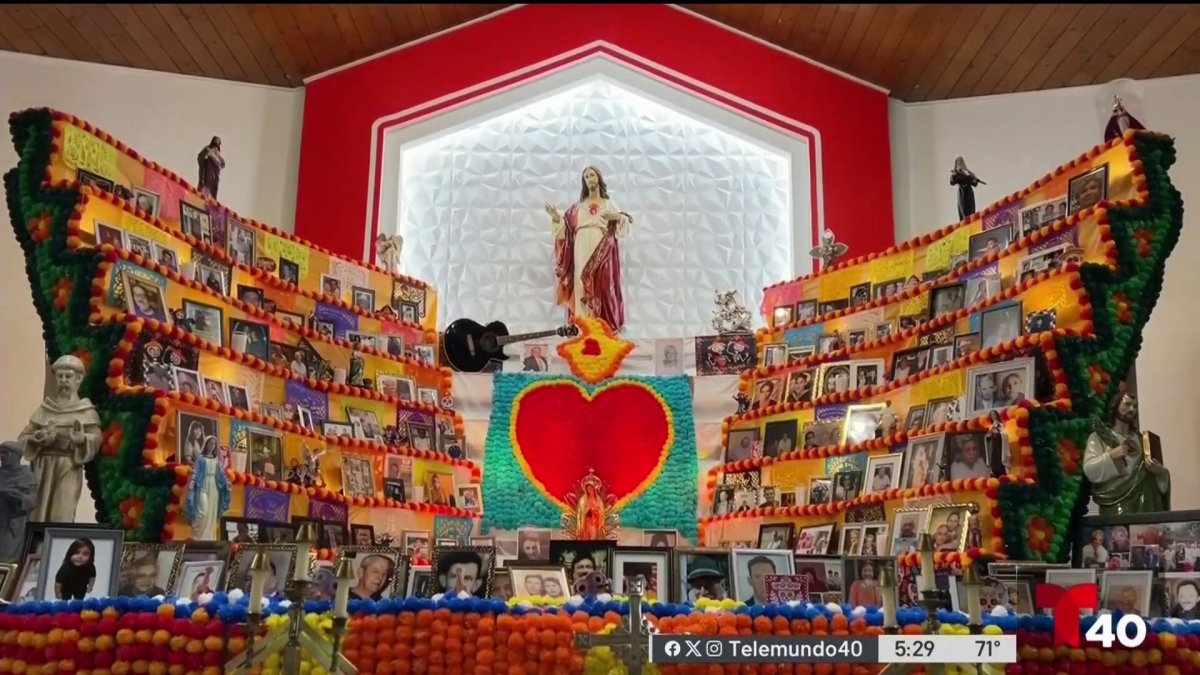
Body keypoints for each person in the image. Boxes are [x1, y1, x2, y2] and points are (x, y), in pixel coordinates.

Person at [548, 166, 633, 331]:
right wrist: (557, 218)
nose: (589, 179)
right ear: (584, 182)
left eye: (592, 175)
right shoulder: (578, 207)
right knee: (581, 281)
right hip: (581, 245)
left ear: (598, 178)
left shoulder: (609, 204)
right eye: (586, 176)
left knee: (604, 284)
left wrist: (617, 217)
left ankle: (603, 326)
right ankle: (583, 326)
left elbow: (625, 224)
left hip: (602, 246)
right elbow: (566, 230)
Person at [19, 355, 101, 522]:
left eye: (68, 376)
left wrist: (83, 439)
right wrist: (37, 438)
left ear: (78, 379)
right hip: (41, 466)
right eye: (60, 376)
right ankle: (36, 547)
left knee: (62, 512)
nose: (63, 381)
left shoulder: (86, 411)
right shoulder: (45, 408)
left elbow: (97, 438)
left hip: (67, 465)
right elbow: (23, 437)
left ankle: (57, 546)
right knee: (36, 514)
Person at [1082, 393, 1170, 515]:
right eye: (1127, 404)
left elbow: (1157, 476)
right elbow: (1089, 469)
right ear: (1115, 406)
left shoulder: (1143, 440)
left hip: (1147, 505)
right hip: (1116, 506)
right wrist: (1111, 456)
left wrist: (1161, 473)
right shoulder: (1098, 438)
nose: (1132, 409)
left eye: (1135, 406)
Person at [185, 435, 231, 540]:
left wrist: (226, 482)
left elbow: (221, 474)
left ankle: (209, 537)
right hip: (203, 484)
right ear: (206, 444)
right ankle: (197, 536)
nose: (212, 446)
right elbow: (196, 471)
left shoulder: (217, 460)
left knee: (211, 512)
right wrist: (193, 481)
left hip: (214, 486)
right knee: (202, 511)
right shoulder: (201, 459)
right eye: (210, 443)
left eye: (214, 444)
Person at [0, 441, 36, 562]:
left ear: (16, 455)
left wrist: (17, 497)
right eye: (1, 453)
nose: (2, 456)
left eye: (5, 453)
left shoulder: (26, 475)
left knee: (7, 557)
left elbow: (32, 500)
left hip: (13, 523)